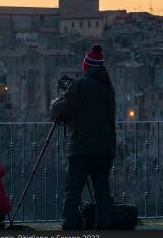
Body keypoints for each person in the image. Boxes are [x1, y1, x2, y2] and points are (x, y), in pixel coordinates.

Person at [50, 44, 116, 229]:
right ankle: (103, 229)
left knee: (73, 192)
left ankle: (70, 228)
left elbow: (60, 111)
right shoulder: (109, 88)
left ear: (86, 66)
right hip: (105, 149)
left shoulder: (80, 84)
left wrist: (57, 101)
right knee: (102, 193)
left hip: (81, 148)